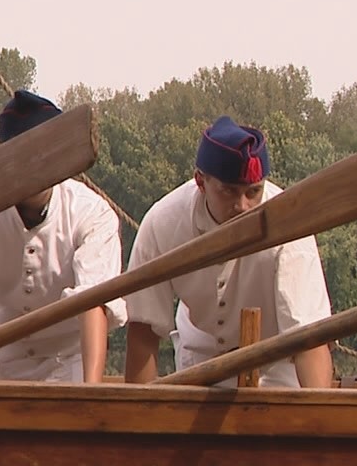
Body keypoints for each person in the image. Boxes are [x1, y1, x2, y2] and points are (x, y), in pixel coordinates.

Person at [0, 91, 124, 382]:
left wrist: (90, 395)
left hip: (70, 364)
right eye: (21, 158)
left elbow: (93, 304)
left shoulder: (93, 214)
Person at [122, 117, 332, 388]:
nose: (243, 206)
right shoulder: (162, 222)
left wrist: (318, 426)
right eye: (229, 192)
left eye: (253, 192)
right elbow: (144, 330)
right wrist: (136, 423)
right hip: (200, 357)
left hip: (277, 361)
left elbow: (310, 339)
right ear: (201, 181)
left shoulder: (291, 230)